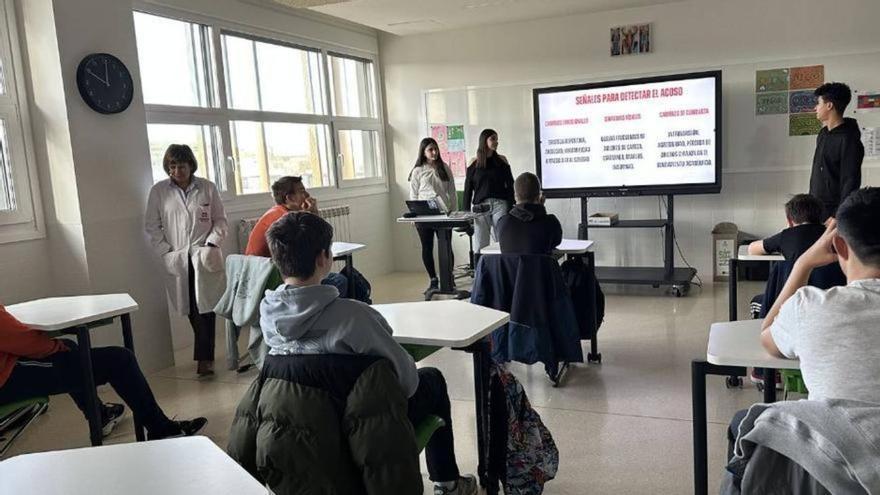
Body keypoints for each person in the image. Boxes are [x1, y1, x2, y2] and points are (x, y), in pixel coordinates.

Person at [260, 212, 478, 495]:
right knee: (431, 379)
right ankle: (448, 484)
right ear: (323, 259)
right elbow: (407, 383)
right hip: (360, 433)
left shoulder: (267, 317)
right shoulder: (354, 317)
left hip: (295, 434)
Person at [727, 187, 880, 458]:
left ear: (840, 245)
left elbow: (767, 335)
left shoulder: (810, 306)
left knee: (743, 423)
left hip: (833, 465)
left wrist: (803, 265)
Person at [0, 305, 207, 440]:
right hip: (7, 379)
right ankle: (161, 430)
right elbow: (22, 340)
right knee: (119, 359)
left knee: (70, 347)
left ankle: (100, 417)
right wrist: (52, 346)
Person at [145, 144, 228, 377]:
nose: (177, 171)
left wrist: (212, 243)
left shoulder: (207, 188)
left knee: (206, 306)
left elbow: (220, 220)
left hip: (203, 253)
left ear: (190, 165)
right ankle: (205, 354)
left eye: (181, 165)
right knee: (191, 307)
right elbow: (152, 225)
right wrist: (165, 251)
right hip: (178, 257)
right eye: (172, 166)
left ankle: (205, 358)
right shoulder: (159, 191)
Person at [244, 176, 347, 296]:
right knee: (338, 281)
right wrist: (313, 214)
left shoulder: (280, 213)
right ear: (290, 198)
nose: (308, 195)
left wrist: (312, 214)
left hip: (272, 272)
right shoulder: (285, 219)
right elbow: (316, 243)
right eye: (302, 191)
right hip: (269, 278)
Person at [808, 82, 864, 220]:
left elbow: (850, 180)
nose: (815, 108)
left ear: (829, 105)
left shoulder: (849, 139)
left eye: (818, 103)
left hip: (833, 212)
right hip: (816, 208)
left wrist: (838, 215)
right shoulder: (822, 134)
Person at [409, 137, 458, 294]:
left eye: (436, 149)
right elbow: (413, 194)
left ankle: (449, 278)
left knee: (446, 246)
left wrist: (454, 211)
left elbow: (452, 192)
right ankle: (433, 280)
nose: (434, 152)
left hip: (443, 214)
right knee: (427, 247)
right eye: (430, 149)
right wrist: (413, 215)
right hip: (424, 215)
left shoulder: (444, 168)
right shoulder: (417, 171)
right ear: (423, 152)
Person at [463, 128, 515, 254]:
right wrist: (465, 212)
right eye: (493, 139)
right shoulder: (474, 162)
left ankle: (502, 271)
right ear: (484, 141)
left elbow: (510, 185)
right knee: (480, 244)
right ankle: (480, 272)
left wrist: (512, 206)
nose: (496, 142)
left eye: (497, 139)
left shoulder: (502, 161)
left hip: (500, 204)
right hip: (480, 207)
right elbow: (468, 188)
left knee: (502, 241)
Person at [497, 172, 562, 255]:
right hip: (540, 268)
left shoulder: (502, 222)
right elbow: (555, 242)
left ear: (515, 196)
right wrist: (541, 208)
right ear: (539, 196)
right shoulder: (551, 222)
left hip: (512, 268)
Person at [746, 194, 826, 260]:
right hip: (832, 279)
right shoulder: (829, 234)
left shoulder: (786, 236)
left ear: (790, 220)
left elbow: (752, 249)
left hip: (798, 279)